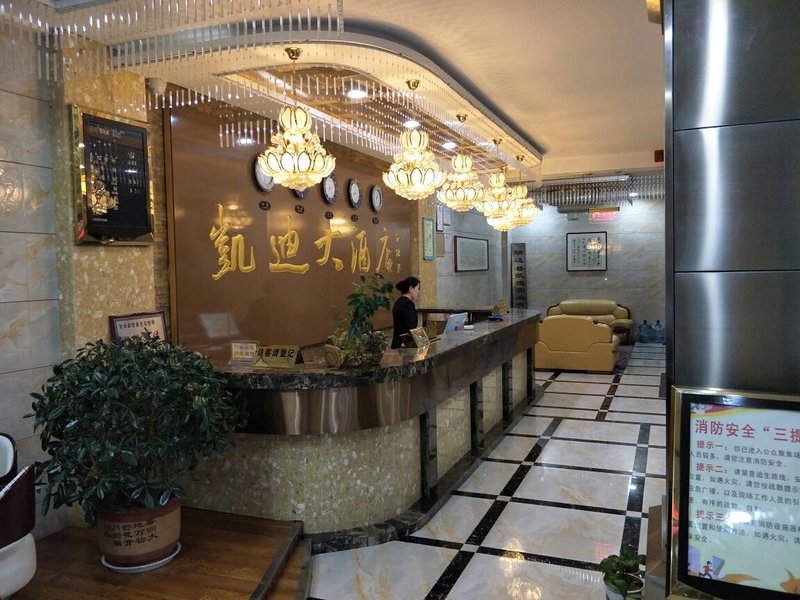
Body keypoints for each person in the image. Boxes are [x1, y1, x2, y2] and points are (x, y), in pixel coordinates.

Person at [391, 276, 421, 348]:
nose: (419, 292)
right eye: (418, 289)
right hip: (405, 346)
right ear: (411, 289)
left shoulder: (398, 302)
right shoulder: (408, 304)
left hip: (397, 343)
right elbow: (411, 327)